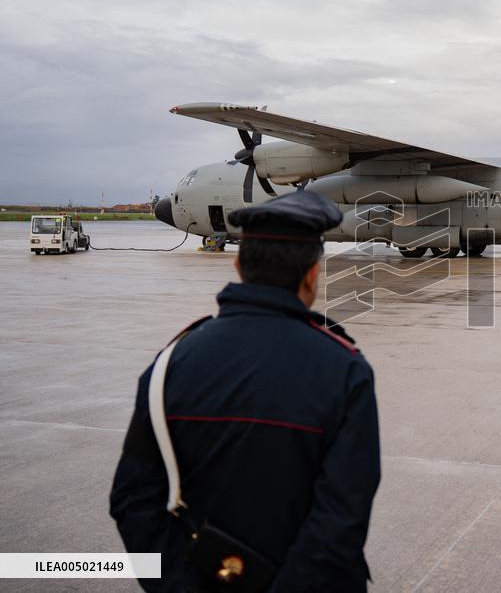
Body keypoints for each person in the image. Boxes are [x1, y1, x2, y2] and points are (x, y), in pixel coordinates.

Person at [109, 190, 381, 592]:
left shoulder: (171, 363)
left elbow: (133, 501)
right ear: (312, 273)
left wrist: (179, 587)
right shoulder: (344, 369)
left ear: (237, 265)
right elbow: (343, 517)